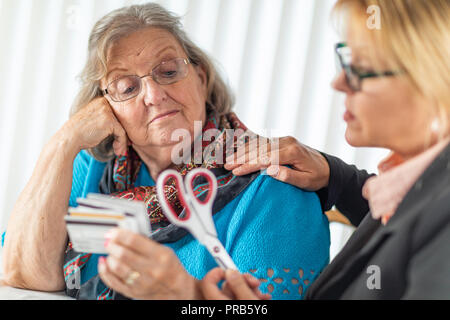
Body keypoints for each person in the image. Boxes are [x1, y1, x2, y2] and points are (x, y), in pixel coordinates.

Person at [1, 3, 330, 300]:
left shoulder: (273, 188)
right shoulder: (94, 169)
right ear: (106, 108)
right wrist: (64, 141)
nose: (154, 95)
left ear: (200, 78)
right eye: (127, 88)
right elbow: (22, 274)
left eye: (169, 72)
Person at [201, 0, 450, 299]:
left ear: (434, 81)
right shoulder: (412, 183)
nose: (338, 82)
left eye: (360, 68)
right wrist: (335, 176)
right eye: (344, 59)